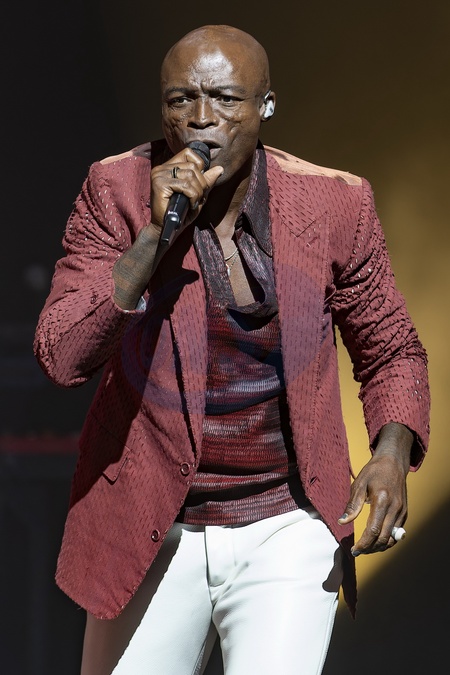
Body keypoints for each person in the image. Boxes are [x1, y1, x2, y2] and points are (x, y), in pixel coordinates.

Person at [34, 24, 430, 675]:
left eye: (224, 99)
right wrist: (153, 239)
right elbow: (63, 355)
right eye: (180, 99)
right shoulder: (116, 190)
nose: (200, 118)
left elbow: (392, 350)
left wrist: (389, 455)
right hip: (151, 523)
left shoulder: (335, 203)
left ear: (265, 106)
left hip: (287, 521)